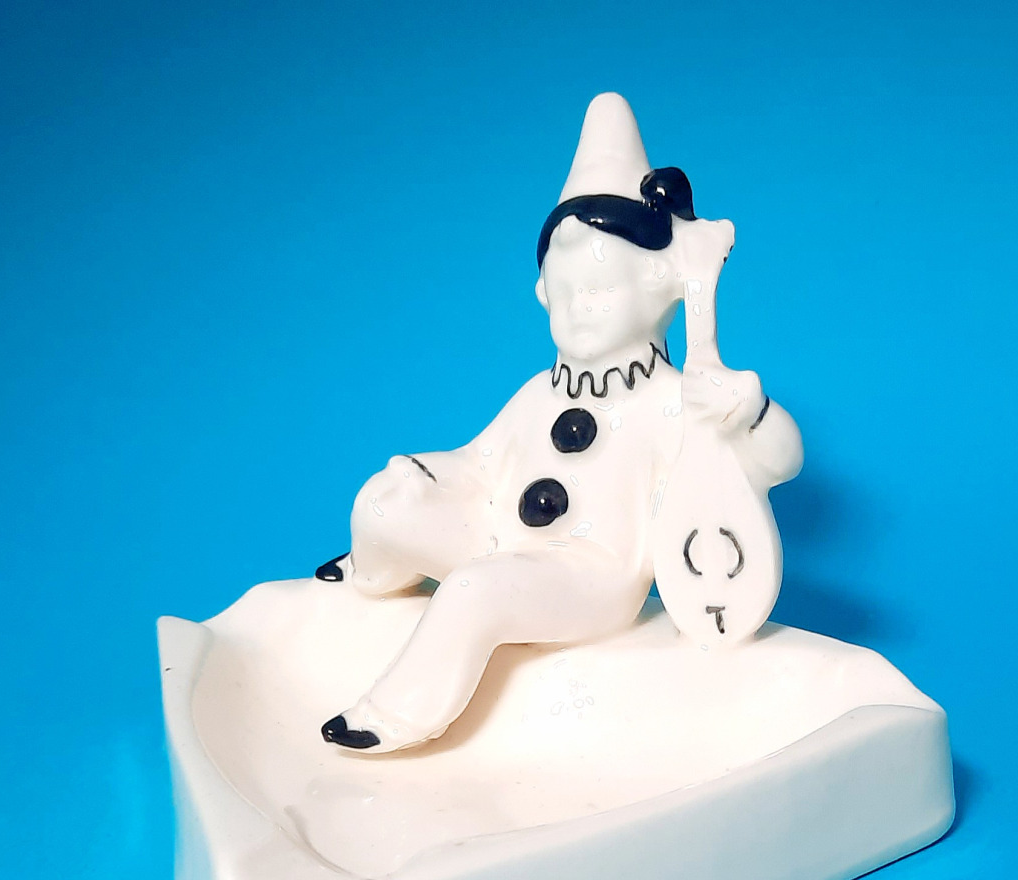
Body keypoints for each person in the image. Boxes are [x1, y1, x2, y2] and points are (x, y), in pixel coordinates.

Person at [318, 93, 801, 752]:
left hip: (591, 575)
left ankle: (395, 714)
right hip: (501, 537)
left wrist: (748, 411)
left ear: (658, 285)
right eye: (565, 294)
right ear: (543, 294)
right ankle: (369, 572)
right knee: (383, 504)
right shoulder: (536, 394)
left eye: (599, 292)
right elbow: (480, 463)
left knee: (474, 591)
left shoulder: (673, 400)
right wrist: (427, 473)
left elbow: (779, 460)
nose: (579, 310)